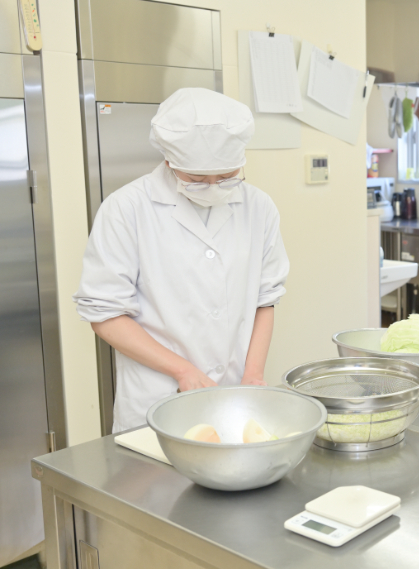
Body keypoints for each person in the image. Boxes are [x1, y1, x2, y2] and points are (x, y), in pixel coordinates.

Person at [73, 88, 290, 433]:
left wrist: (253, 375)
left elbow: (266, 300)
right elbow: (105, 315)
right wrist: (183, 370)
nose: (214, 186)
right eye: (198, 178)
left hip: (235, 397)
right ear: (170, 161)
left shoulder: (258, 207)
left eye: (226, 176)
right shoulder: (126, 209)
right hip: (156, 400)